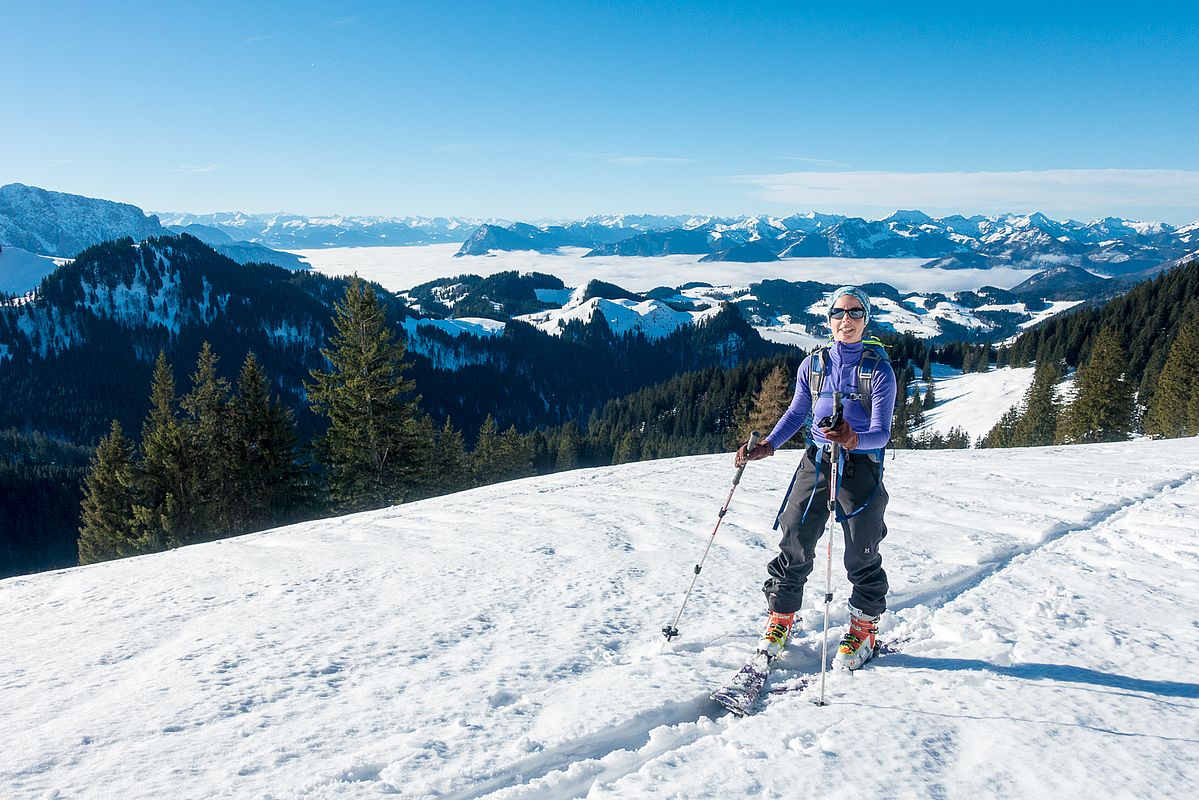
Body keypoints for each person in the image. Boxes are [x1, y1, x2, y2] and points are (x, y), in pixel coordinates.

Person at [735, 286, 897, 670]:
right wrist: (769, 446)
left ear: (866, 319)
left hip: (860, 467)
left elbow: (882, 431)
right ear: (828, 319)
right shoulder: (813, 365)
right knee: (794, 535)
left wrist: (854, 439)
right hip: (817, 460)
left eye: (856, 313)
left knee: (862, 550)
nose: (847, 320)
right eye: (839, 313)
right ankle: (782, 616)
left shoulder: (878, 371)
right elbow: (795, 413)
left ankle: (864, 627)